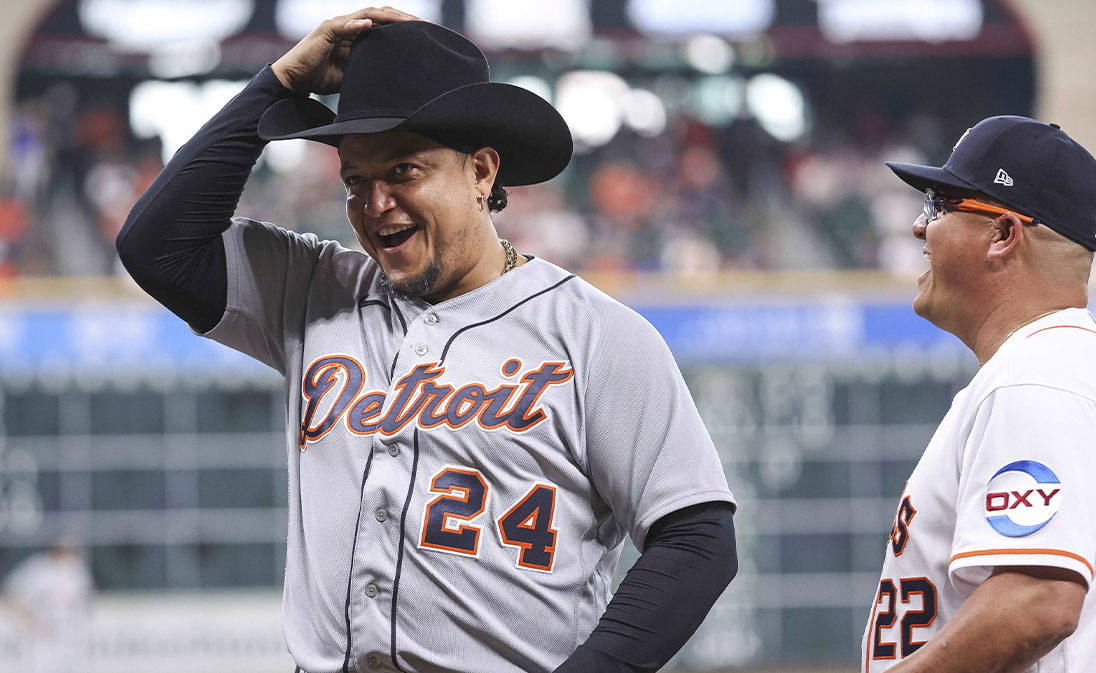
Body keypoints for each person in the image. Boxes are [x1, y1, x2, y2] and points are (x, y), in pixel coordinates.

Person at [117, 7, 737, 673]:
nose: (375, 202)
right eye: (357, 181)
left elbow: (698, 537)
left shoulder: (595, 335)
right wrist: (277, 84)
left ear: (481, 173)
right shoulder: (314, 286)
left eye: (404, 171)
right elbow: (156, 247)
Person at [863, 115, 1096, 672]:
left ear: (1002, 234)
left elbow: (1036, 602)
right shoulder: (1051, 367)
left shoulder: (1039, 372)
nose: (920, 227)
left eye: (940, 204)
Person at [0, 537, 93, 673]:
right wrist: (30, 621)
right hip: (46, 635)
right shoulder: (39, 568)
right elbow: (10, 594)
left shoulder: (77, 569)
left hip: (70, 635)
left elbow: (85, 600)